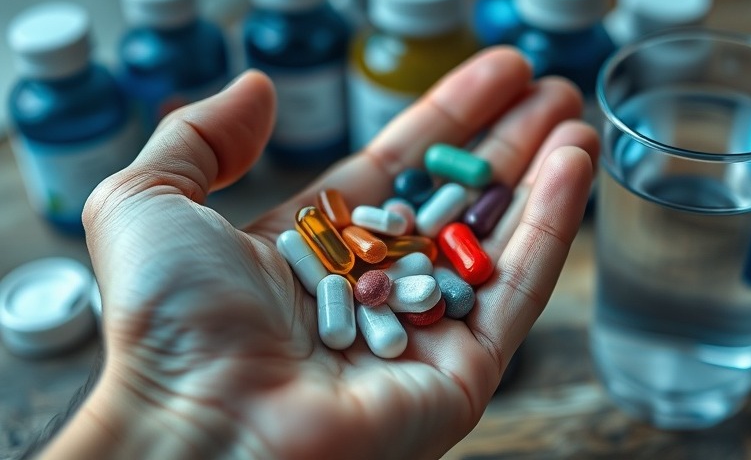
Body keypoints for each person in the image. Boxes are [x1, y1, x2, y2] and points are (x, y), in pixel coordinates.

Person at [35, 47, 599, 459]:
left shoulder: (384, 270)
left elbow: (400, 273)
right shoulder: (350, 269)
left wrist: (147, 409)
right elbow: (364, 273)